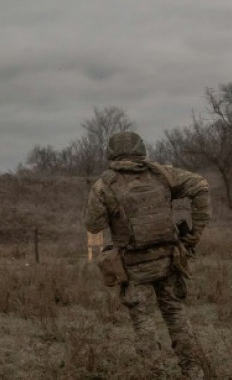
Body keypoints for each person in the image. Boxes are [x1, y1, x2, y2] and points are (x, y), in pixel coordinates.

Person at [84, 131, 211, 379]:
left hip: (134, 266)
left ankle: (155, 374)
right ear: (141, 149)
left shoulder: (103, 186)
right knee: (176, 315)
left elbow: (93, 226)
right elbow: (201, 186)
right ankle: (193, 371)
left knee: (144, 323)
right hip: (169, 260)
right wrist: (195, 234)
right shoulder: (162, 174)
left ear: (111, 152)